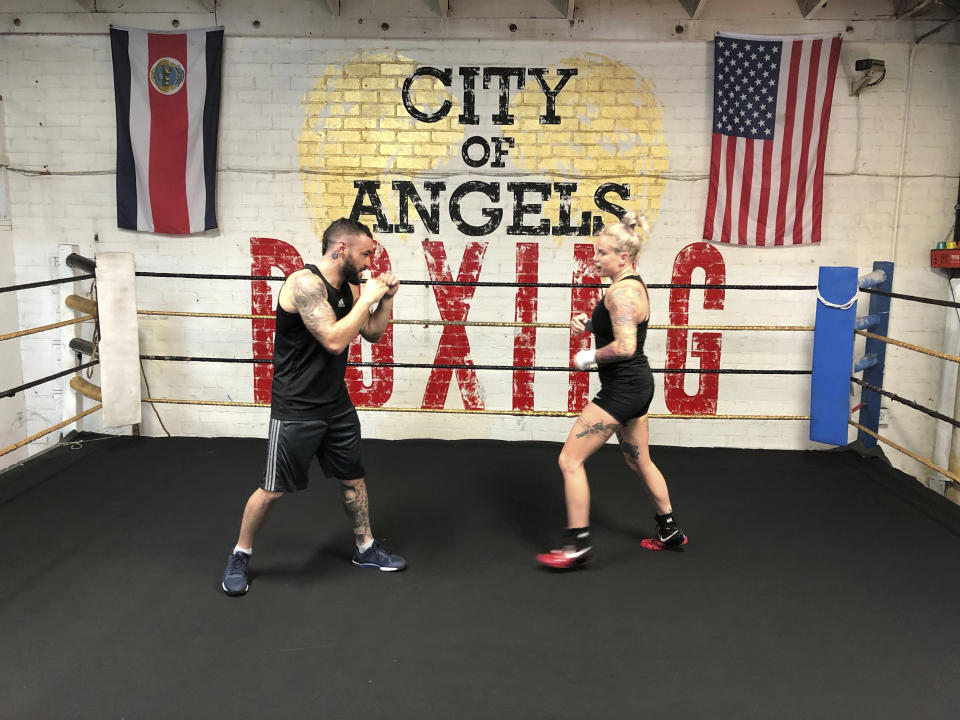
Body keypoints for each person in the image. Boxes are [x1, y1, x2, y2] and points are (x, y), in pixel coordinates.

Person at [221, 218, 406, 596]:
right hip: (296, 407)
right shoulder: (304, 284)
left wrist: (383, 300)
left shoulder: (351, 286)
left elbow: (370, 333)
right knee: (272, 490)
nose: (371, 260)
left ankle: (366, 547)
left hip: (335, 404)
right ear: (341, 249)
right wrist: (369, 298)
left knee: (353, 478)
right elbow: (335, 341)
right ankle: (240, 554)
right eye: (365, 253)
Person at [536, 210, 687, 570]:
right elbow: (619, 327)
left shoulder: (622, 294)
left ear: (623, 257)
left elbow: (624, 347)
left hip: (623, 388)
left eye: (602, 252)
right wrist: (589, 323)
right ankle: (669, 529)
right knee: (638, 459)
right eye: (596, 251)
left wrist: (589, 356)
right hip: (636, 386)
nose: (595, 258)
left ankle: (576, 545)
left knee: (569, 460)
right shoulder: (629, 284)